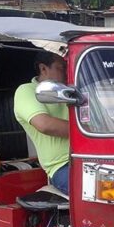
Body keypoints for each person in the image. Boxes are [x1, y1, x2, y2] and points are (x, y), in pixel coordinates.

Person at [14, 51, 70, 194]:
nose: (67, 71)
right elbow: (44, 124)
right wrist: (90, 130)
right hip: (63, 166)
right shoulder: (26, 91)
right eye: (61, 67)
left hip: (92, 157)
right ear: (43, 69)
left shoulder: (70, 89)